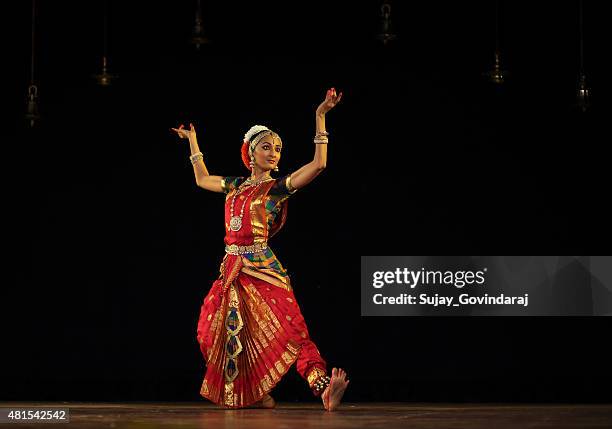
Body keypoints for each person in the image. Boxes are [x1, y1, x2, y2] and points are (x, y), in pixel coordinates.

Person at [171, 88, 348, 410]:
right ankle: (254, 392)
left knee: (292, 329)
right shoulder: (235, 185)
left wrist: (320, 116)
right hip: (231, 269)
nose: (274, 152)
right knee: (216, 332)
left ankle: (322, 387)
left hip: (263, 267)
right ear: (250, 153)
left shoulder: (277, 189)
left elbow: (319, 165)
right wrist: (192, 142)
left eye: (278, 148)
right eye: (267, 147)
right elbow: (201, 179)